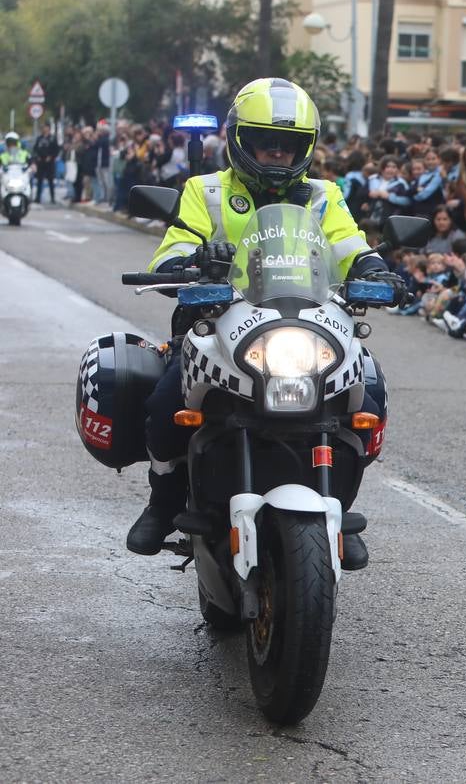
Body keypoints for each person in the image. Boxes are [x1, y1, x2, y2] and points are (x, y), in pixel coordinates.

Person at [128, 78, 400, 569]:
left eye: (288, 144)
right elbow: (172, 248)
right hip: (216, 320)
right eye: (263, 141)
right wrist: (189, 259)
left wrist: (373, 268)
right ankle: (163, 499)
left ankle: (339, 504)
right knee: (165, 401)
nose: (275, 153)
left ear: (306, 148)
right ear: (237, 140)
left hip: (304, 322)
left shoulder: (323, 195)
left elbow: (346, 243)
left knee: (368, 397)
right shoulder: (205, 191)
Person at [32, 123, 59, 204]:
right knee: (40, 181)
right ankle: (38, 198)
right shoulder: (39, 138)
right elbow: (35, 149)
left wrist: (51, 157)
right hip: (41, 162)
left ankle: (52, 198)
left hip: (49, 162)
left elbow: (56, 149)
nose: (45, 129)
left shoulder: (52, 138)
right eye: (44, 128)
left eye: (46, 128)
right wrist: (37, 157)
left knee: (51, 181)